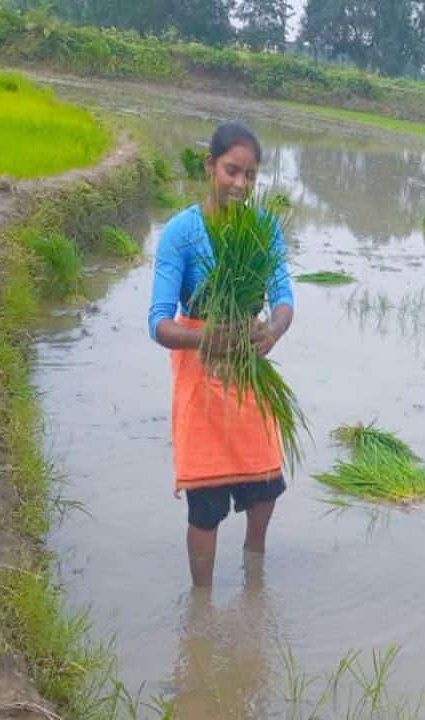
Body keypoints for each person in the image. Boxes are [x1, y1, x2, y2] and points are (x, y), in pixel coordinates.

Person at [148, 123, 294, 588]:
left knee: (266, 484)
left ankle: (255, 574)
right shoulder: (182, 233)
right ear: (210, 166)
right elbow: (159, 322)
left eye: (250, 176)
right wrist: (207, 338)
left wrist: (272, 329)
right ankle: (202, 602)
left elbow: (284, 297)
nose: (240, 184)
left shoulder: (264, 228)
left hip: (248, 369)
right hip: (200, 371)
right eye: (232, 170)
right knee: (206, 502)